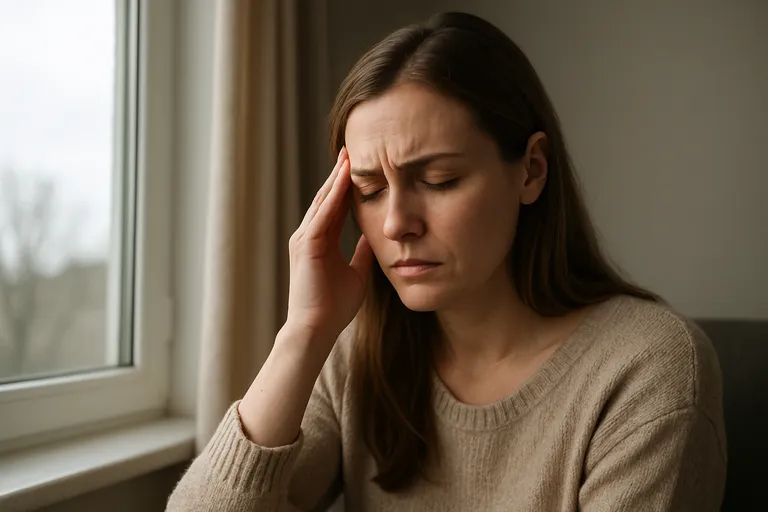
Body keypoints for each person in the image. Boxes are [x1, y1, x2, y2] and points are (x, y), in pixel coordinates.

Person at [167, 11, 726, 512]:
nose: (395, 223)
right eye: (368, 189)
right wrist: (303, 336)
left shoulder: (648, 369)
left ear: (530, 170)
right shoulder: (356, 353)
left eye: (439, 180)